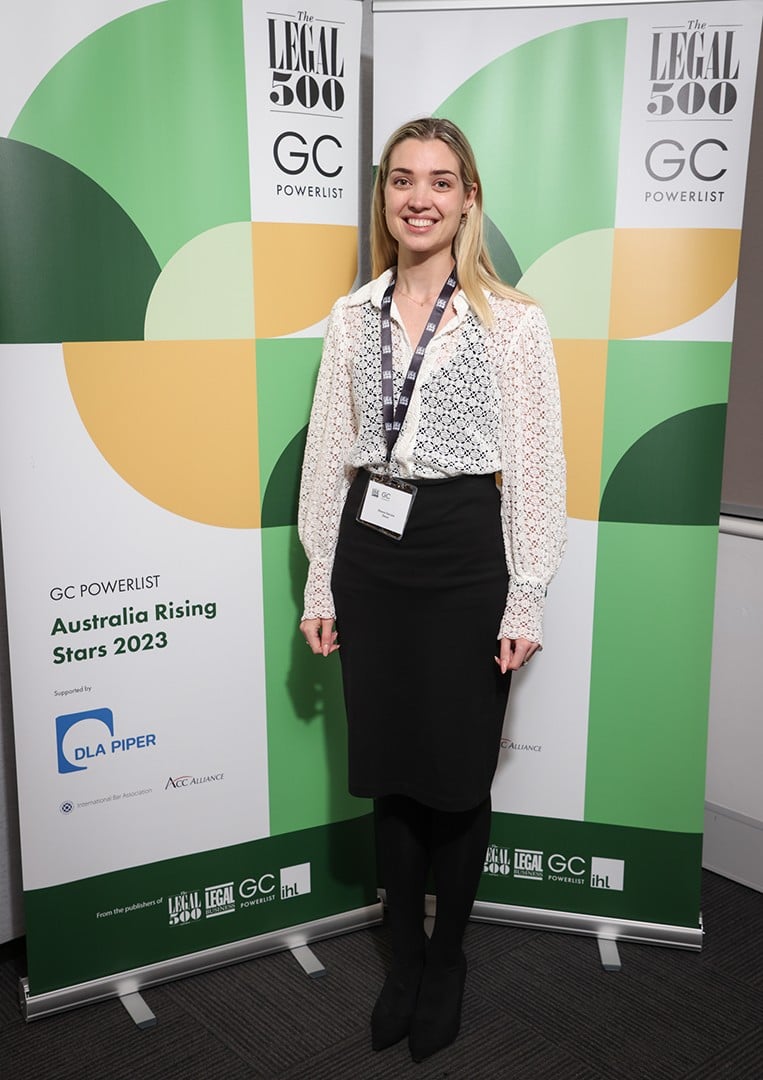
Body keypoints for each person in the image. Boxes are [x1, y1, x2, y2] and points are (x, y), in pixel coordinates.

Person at [298, 117, 566, 1062]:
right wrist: (320, 581)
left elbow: (535, 465)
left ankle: (446, 957)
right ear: (384, 196)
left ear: (467, 199)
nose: (419, 197)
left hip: (463, 553)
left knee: (453, 776)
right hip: (372, 558)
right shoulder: (351, 315)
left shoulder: (514, 321)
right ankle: (402, 961)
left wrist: (525, 591)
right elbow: (328, 455)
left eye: (440, 181)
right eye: (402, 179)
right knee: (390, 772)